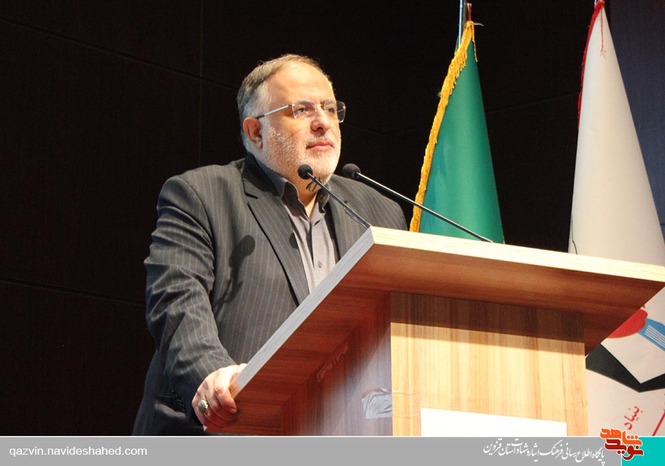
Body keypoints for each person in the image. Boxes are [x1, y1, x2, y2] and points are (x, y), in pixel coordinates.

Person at [132, 54, 407, 435]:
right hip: (226, 431)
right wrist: (216, 377)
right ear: (256, 131)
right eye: (301, 110)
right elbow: (176, 302)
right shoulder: (201, 195)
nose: (323, 122)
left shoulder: (379, 211)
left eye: (330, 108)